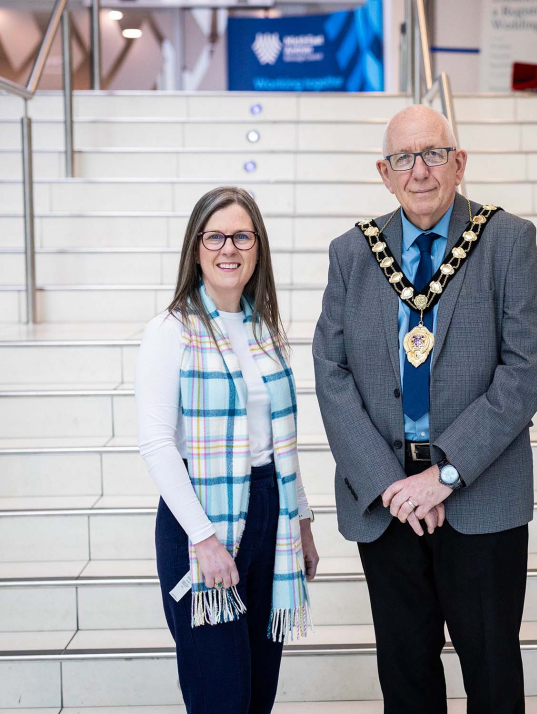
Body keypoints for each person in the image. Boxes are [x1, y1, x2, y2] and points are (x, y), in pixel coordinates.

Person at [313, 105, 537, 713]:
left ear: (459, 162)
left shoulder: (506, 241)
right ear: (384, 173)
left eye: (433, 153)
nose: (419, 170)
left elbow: (524, 375)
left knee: (492, 675)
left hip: (479, 495)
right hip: (386, 503)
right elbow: (331, 374)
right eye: (403, 158)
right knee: (406, 677)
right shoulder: (351, 253)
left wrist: (443, 476)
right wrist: (392, 485)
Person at [136, 186, 319, 714]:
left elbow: (281, 439)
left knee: (259, 694)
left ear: (257, 247)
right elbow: (157, 443)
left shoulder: (266, 331)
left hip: (270, 512)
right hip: (202, 518)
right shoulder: (170, 331)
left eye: (242, 235)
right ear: (196, 248)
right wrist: (205, 540)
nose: (228, 248)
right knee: (221, 697)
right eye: (214, 236)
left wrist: (301, 520)